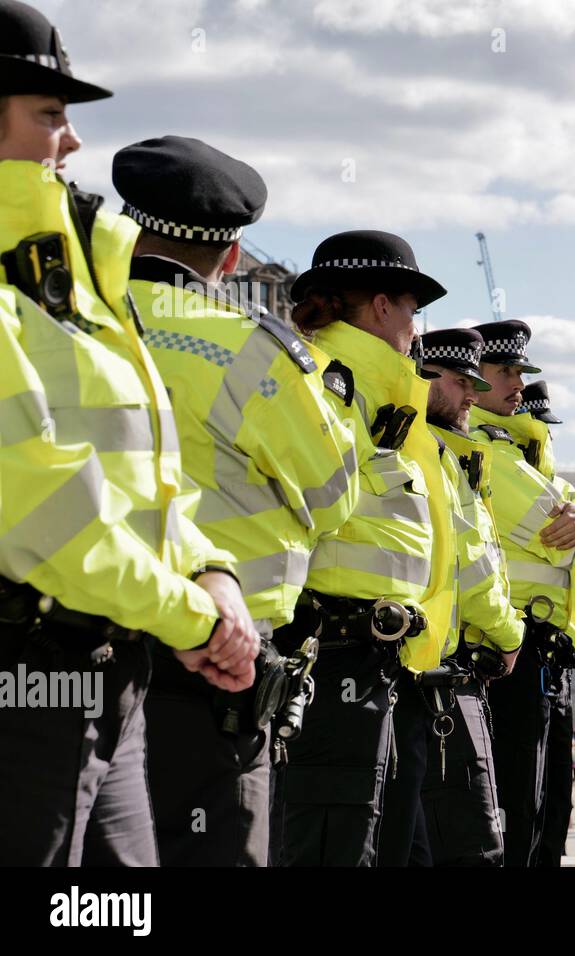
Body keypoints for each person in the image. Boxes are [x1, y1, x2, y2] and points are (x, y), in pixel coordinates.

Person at [0, 0, 260, 866]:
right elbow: (41, 509)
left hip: (111, 672)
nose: (70, 142)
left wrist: (211, 572)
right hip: (29, 681)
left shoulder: (72, 275)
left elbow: (142, 477)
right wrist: (198, 622)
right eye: (50, 114)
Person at [113, 136, 361, 867]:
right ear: (229, 257)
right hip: (219, 659)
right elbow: (334, 496)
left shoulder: (74, 321)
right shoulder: (252, 351)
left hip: (79, 645)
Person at [278, 230, 441, 866]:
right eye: (411, 309)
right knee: (334, 841)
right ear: (379, 306)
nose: (415, 328)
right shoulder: (334, 383)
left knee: (374, 837)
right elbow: (312, 506)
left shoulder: (388, 396)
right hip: (334, 649)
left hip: (377, 655)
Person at [378, 326, 524, 867]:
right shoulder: (435, 453)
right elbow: (475, 565)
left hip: (417, 671)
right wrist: (511, 634)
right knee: (471, 842)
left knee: (415, 841)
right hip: (440, 672)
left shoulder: (443, 450)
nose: (472, 392)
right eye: (461, 381)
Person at [468, 320, 575, 866]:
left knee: (550, 809)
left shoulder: (527, 455)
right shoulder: (478, 448)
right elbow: (559, 541)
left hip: (549, 653)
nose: (518, 384)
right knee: (513, 810)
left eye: (520, 372)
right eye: (503, 371)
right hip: (508, 650)